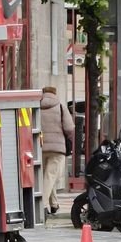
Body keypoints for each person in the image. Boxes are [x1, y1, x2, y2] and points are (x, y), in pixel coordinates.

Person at [39, 84, 74, 217]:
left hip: (41, 147)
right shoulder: (60, 107)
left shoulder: (37, 107)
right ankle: (42, 205)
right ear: (55, 94)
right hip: (57, 148)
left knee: (47, 175)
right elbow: (69, 128)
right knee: (50, 175)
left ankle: (54, 204)